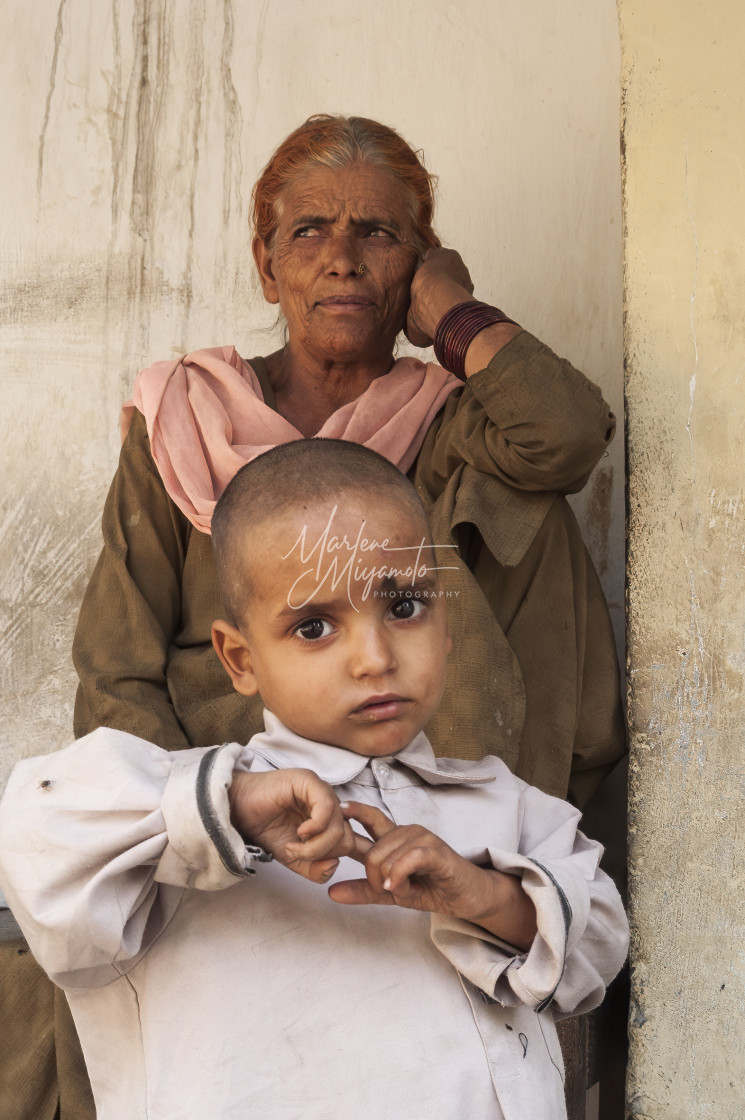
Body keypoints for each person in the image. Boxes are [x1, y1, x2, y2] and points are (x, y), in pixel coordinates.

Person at [4, 113, 625, 1118]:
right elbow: (115, 674)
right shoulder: (183, 419)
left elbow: (564, 432)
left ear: (410, 264)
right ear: (266, 263)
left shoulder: (447, 416)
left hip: (416, 765)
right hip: (225, 800)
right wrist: (196, 830)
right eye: (309, 232)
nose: (340, 258)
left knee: (521, 503)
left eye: (376, 234)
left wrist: (451, 307)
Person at [0, 441, 629, 1120]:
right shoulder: (185, 813)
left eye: (405, 607)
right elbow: (36, 841)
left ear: (448, 625)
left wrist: (480, 894)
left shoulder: (506, 805)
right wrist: (227, 808)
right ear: (240, 660)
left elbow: (596, 947)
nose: (375, 657)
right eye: (313, 626)